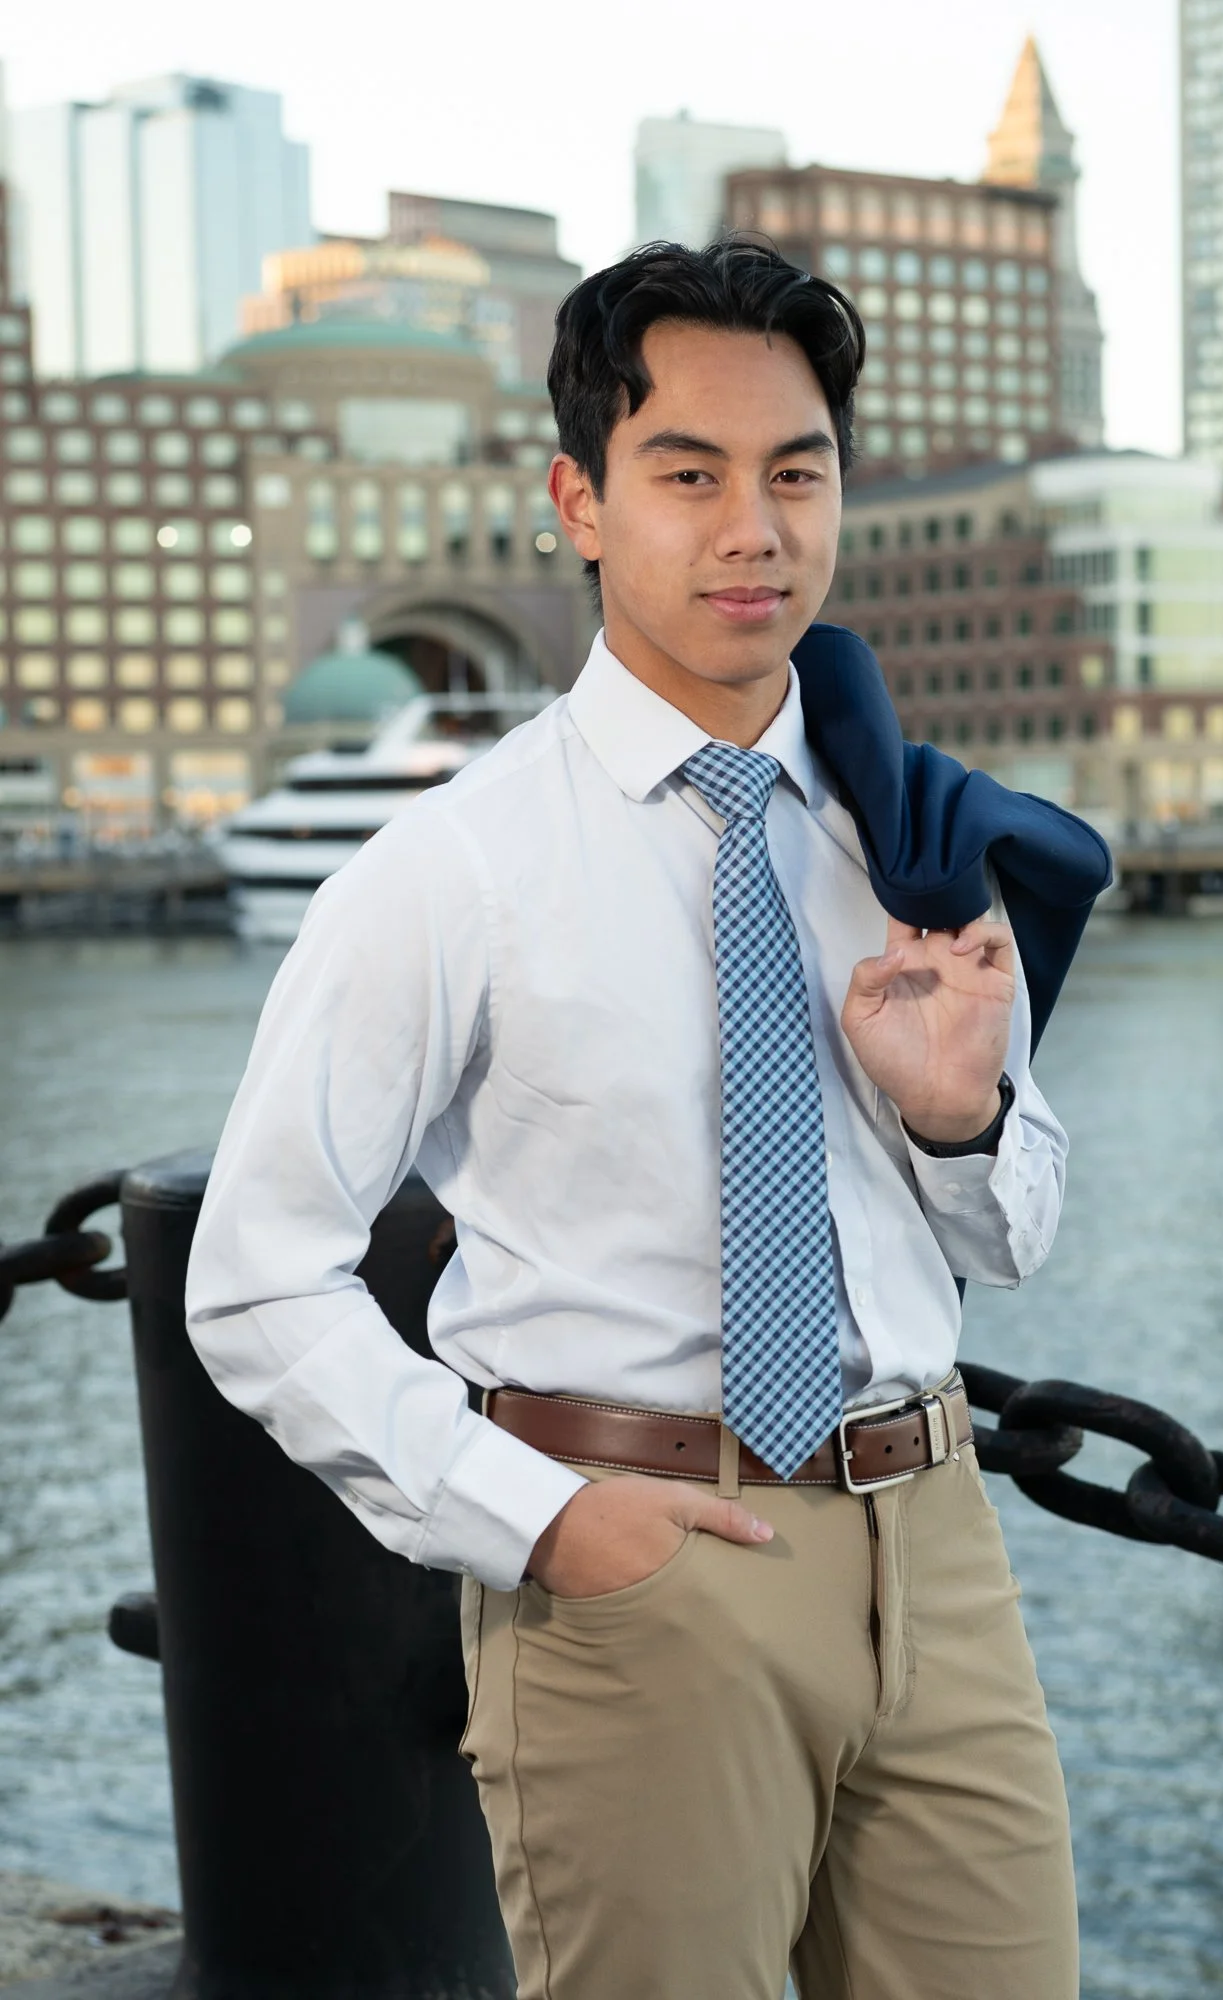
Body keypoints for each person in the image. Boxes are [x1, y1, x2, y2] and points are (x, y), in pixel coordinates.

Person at [186, 238, 1079, 1999]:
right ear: (581, 501)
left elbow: (1018, 1233)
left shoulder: (910, 836)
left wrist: (961, 1115)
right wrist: (535, 1519)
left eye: (797, 471)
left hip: (939, 1547)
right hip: (639, 1564)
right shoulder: (451, 869)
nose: (755, 527)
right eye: (690, 473)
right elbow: (254, 1274)